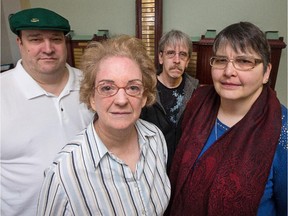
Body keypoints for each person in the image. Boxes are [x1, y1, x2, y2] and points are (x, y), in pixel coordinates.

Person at [37, 35, 171, 215]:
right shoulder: (64, 173)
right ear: (92, 98)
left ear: (144, 97)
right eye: (107, 88)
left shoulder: (155, 138)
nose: (122, 100)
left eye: (133, 88)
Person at [167, 22, 287, 216]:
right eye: (221, 60)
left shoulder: (282, 132)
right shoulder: (197, 102)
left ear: (266, 72)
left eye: (244, 61)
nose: (229, 71)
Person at [0, 8, 93, 216]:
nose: (48, 48)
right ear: (20, 43)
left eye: (56, 39)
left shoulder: (92, 86)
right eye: (35, 39)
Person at [140, 30, 199, 172]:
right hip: (150, 167)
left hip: (183, 168)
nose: (177, 60)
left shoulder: (196, 91)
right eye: (171, 53)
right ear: (161, 57)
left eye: (183, 55)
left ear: (188, 61)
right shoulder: (146, 88)